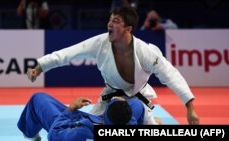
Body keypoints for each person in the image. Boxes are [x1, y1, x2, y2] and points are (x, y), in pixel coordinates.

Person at [26, 6, 199, 125]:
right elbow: (69, 53)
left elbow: (171, 75)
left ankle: (152, 121)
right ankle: (153, 122)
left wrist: (190, 108)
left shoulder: (146, 52)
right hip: (111, 99)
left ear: (128, 29)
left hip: (138, 100)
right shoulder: (101, 43)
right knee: (89, 128)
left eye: (115, 21)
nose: (110, 24)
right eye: (110, 19)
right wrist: (40, 67)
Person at [17, 92, 145, 141]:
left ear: (106, 114)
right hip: (95, 120)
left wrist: (71, 108)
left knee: (38, 98)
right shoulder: (129, 123)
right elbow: (137, 104)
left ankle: (30, 134)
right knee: (136, 103)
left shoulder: (82, 133)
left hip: (68, 124)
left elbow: (53, 135)